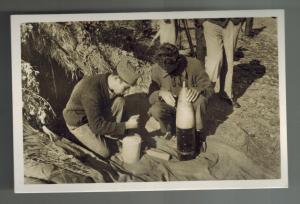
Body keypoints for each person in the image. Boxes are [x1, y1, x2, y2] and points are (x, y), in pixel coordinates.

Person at [63, 58, 140, 159]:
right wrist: (126, 125)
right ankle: (74, 137)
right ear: (117, 78)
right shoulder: (91, 92)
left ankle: (110, 135)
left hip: (93, 115)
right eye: (125, 88)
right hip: (78, 122)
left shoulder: (107, 81)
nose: (125, 92)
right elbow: (96, 126)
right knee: (105, 153)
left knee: (119, 101)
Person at [148, 43, 214, 147]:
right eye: (162, 67)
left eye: (169, 68)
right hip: (171, 108)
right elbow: (150, 97)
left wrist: (198, 90)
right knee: (155, 110)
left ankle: (197, 133)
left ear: (177, 62)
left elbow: (209, 89)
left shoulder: (194, 64)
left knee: (201, 100)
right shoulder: (157, 68)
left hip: (190, 110)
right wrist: (160, 93)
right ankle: (170, 131)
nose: (165, 70)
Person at [203, 18, 244, 108]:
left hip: (231, 22)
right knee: (213, 60)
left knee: (228, 60)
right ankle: (204, 92)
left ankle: (226, 93)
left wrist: (240, 18)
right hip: (211, 21)